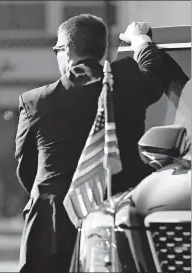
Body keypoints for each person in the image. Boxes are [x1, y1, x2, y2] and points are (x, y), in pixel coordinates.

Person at [15, 16, 176, 273]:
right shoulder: (127, 85)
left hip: (54, 227)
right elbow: (154, 66)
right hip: (118, 218)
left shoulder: (36, 101)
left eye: (57, 48)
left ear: (66, 49)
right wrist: (139, 39)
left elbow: (27, 169)